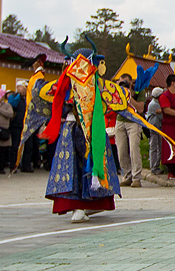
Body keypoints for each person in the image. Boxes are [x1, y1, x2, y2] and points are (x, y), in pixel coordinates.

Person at [43, 50, 120, 222]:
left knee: (81, 164)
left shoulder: (69, 79)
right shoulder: (85, 80)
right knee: (79, 165)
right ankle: (80, 205)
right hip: (84, 128)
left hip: (84, 128)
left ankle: (87, 204)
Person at [16, 59, 53, 172]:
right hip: (33, 112)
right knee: (29, 142)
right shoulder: (38, 78)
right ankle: (25, 164)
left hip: (31, 112)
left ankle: (28, 163)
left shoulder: (34, 78)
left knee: (31, 142)